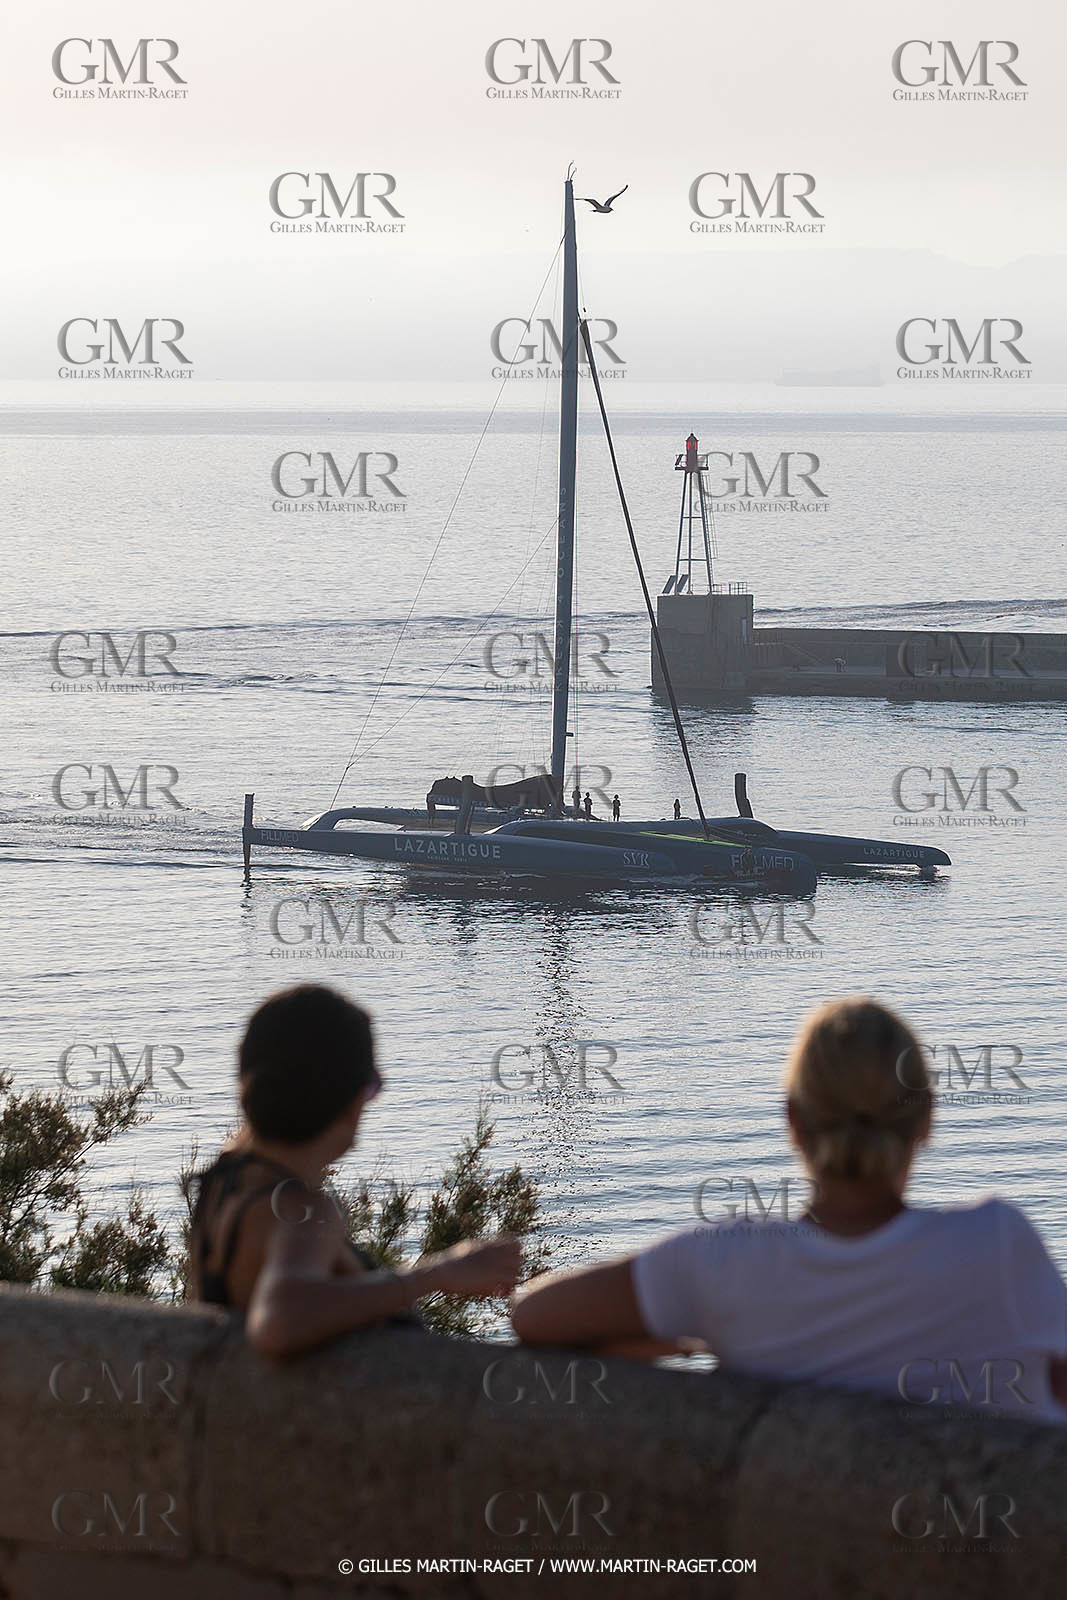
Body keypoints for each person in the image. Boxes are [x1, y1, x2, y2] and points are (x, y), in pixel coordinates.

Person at [511, 997, 1067, 1421]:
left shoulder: (721, 1268)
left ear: (794, 1122)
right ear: (925, 1119)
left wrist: (703, 1328)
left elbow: (533, 1317)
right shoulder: (997, 1245)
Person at [190, 985, 521, 1355]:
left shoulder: (220, 1185)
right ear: (350, 1101)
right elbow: (280, 1321)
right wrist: (437, 1273)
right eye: (372, 1086)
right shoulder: (303, 1209)